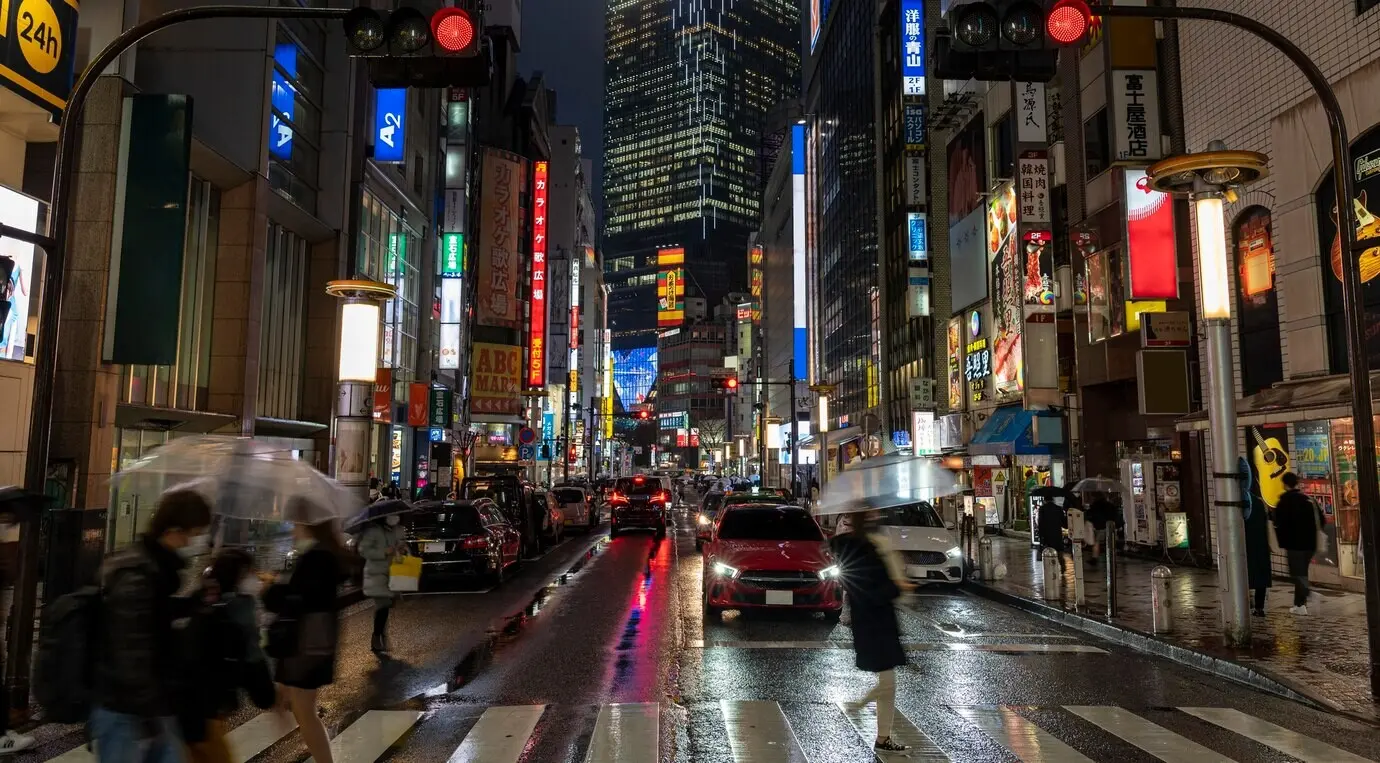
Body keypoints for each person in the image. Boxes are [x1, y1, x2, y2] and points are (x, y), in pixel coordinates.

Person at [91, 489, 213, 763]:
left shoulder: (157, 570)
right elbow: (130, 647)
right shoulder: (137, 573)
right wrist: (148, 712)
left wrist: (194, 603)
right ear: (174, 529)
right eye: (194, 533)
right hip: (128, 711)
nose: (197, 540)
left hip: (154, 706)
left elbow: (156, 618)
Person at [265, 512, 350, 763]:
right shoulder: (323, 555)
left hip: (306, 644)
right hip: (310, 642)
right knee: (294, 704)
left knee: (304, 712)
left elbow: (301, 600)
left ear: (307, 524)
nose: (292, 529)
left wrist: (271, 590)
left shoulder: (317, 558)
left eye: (295, 523)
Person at [180, 550, 276, 763]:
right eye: (250, 572)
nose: (255, 576)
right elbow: (253, 658)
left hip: (185, 699)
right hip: (207, 706)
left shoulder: (204, 597)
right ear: (239, 576)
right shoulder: (238, 608)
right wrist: (267, 695)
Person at [829, 509, 911, 754]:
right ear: (866, 520)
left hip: (866, 621)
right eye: (872, 515)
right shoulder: (869, 550)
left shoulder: (852, 547)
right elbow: (879, 587)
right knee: (888, 680)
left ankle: (883, 738)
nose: (877, 517)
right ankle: (860, 704)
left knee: (888, 681)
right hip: (877, 622)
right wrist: (898, 585)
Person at [1273, 472, 1325, 615]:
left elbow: (1279, 525)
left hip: (1294, 545)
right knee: (1301, 573)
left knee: (1296, 574)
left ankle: (1309, 594)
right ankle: (1299, 605)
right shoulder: (1309, 500)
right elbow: (1322, 520)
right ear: (1297, 483)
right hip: (1310, 545)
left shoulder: (1283, 503)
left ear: (1284, 485)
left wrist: (1282, 542)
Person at [357, 511, 407, 654]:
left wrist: (401, 549)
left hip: (392, 573)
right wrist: (383, 551)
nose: (394, 518)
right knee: (383, 605)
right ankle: (377, 636)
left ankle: (380, 635)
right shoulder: (373, 532)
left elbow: (402, 545)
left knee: (387, 605)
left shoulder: (398, 530)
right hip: (376, 574)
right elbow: (363, 550)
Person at [1239, 457, 1273, 616]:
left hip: (1245, 545)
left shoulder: (1239, 501)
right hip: (1260, 545)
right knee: (1259, 575)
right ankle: (1259, 607)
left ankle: (1246, 604)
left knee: (1244, 574)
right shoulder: (1259, 502)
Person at [1035, 497, 1067, 572]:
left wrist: (1040, 536)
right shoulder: (1058, 508)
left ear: (1045, 500)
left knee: (1049, 553)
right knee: (1059, 552)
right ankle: (1062, 566)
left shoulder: (1042, 509)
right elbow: (1064, 523)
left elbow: (1040, 524)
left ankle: (1052, 569)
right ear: (1052, 500)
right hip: (1057, 534)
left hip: (1047, 535)